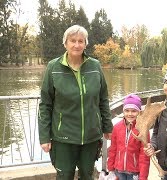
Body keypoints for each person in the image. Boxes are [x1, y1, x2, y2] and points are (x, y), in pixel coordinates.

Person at [38, 24, 113, 180]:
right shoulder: (53, 67)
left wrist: (107, 126)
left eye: (81, 41)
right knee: (64, 176)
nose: (77, 45)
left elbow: (103, 99)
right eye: (73, 40)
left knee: (87, 175)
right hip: (63, 137)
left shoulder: (95, 66)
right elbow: (45, 105)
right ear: (65, 43)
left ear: (86, 44)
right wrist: (44, 137)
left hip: (91, 136)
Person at [107, 94, 150, 180]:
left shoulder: (143, 129)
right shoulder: (117, 127)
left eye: (134, 111)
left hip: (134, 172)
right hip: (119, 171)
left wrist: (143, 177)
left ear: (139, 112)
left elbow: (144, 156)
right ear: (123, 111)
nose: (130, 114)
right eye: (127, 110)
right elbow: (113, 149)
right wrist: (111, 168)